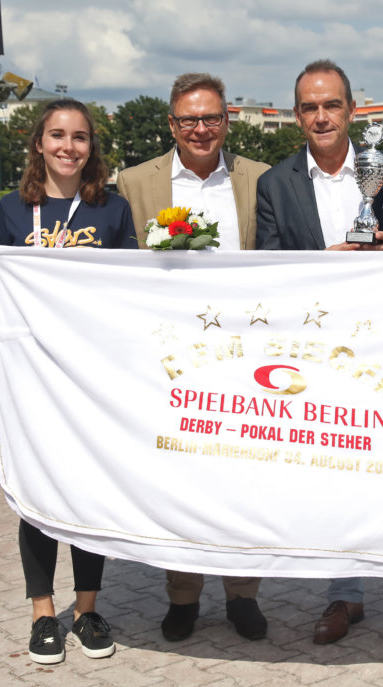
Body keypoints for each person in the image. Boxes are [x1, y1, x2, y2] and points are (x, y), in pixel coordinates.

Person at [255, 59, 383, 653]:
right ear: (297, 115)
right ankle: (343, 594)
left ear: (351, 110)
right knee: (334, 475)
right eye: (309, 107)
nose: (321, 116)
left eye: (331, 105)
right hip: (321, 351)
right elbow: (269, 273)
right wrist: (328, 258)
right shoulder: (275, 183)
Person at [0, 99, 137, 665]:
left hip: (92, 378)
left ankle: (87, 611)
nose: (69, 147)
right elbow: (1, 286)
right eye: (57, 136)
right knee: (37, 496)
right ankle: (43, 613)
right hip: (34, 379)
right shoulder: (13, 210)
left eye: (80, 137)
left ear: (92, 147)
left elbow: (133, 287)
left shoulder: (112, 209)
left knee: (88, 494)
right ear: (39, 143)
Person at [116, 73, 270, 642]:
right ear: (172, 124)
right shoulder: (134, 183)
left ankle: (243, 594)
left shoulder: (259, 178)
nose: (200, 129)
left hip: (248, 354)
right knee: (179, 477)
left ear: (227, 120)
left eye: (211, 119)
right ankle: (182, 595)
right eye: (189, 120)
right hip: (172, 358)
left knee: (245, 479)